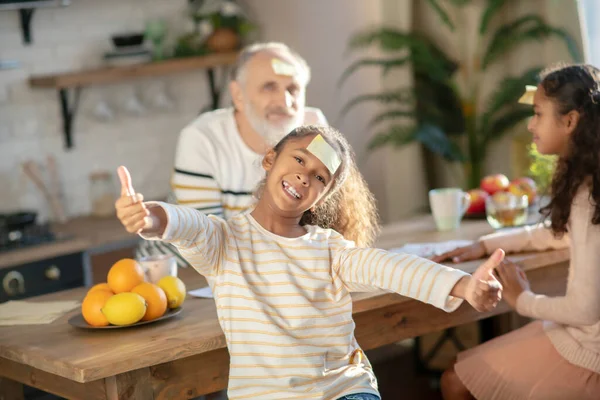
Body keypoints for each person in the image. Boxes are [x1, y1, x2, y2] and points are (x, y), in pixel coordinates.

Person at [116, 125, 505, 400]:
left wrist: (464, 285)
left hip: (344, 391)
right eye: (299, 159)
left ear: (321, 198)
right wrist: (150, 217)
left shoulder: (330, 249)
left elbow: (388, 266)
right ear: (270, 159)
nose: (305, 177)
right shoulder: (225, 241)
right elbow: (187, 224)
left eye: (320, 177)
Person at [433, 64, 600, 400]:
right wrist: (484, 244)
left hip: (591, 353)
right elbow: (557, 234)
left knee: (454, 380)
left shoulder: (589, 197)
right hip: (585, 338)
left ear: (570, 121)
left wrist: (521, 300)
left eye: (538, 114)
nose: (530, 124)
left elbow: (584, 310)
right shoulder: (589, 186)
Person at [136, 42, 328, 263]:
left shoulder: (316, 132)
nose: (284, 102)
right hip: (181, 272)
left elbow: (327, 222)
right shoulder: (202, 138)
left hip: (272, 270)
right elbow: (207, 240)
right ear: (238, 95)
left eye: (292, 89)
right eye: (269, 87)